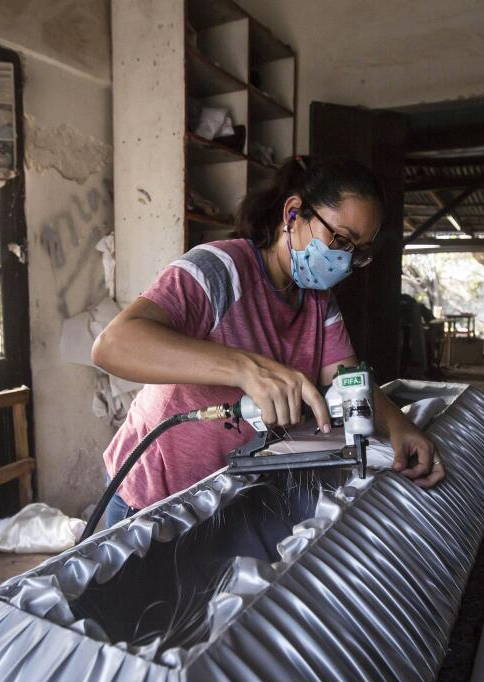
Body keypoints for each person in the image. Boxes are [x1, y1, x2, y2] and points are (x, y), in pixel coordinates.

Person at [91, 156, 446, 529]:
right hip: (154, 492)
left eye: (357, 251)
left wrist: (400, 427)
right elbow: (114, 344)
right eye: (339, 240)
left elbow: (348, 379)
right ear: (293, 213)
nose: (344, 259)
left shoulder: (317, 299)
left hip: (223, 488)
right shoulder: (220, 270)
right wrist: (247, 369)